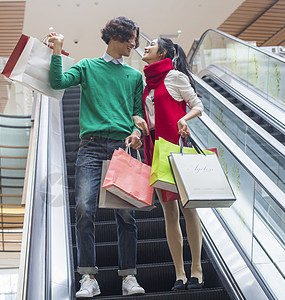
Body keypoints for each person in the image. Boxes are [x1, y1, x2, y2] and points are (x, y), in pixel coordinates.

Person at [48, 16, 146, 298]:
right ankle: (88, 278)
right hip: (89, 147)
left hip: (121, 148)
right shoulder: (88, 67)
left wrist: (135, 132)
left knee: (126, 215)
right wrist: (57, 50)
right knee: (83, 210)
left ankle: (129, 277)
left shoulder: (134, 76)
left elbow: (136, 115)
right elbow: (57, 81)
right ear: (116, 36)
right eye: (131, 38)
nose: (134, 44)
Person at [135, 37, 205, 291]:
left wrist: (185, 118)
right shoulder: (147, 83)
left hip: (177, 148)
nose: (145, 46)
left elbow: (198, 105)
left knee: (188, 208)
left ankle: (196, 269)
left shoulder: (174, 77)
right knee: (169, 212)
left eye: (151, 44)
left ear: (163, 52)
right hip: (156, 150)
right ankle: (180, 273)